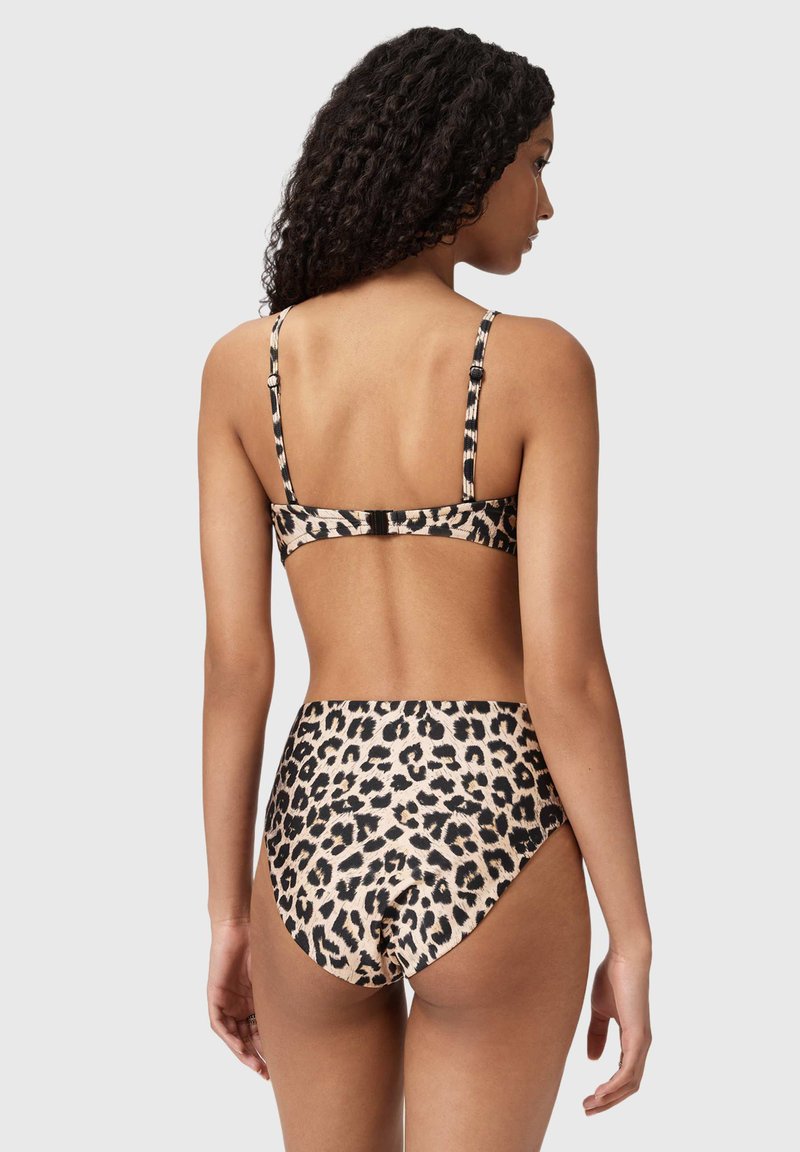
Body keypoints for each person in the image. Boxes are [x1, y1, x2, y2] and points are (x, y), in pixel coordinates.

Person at [198, 24, 652, 1151]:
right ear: (461, 160)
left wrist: (226, 912)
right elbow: (566, 677)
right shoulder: (538, 364)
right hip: (493, 812)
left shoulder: (245, 368)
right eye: (535, 163)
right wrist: (632, 930)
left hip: (318, 820)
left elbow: (237, 669)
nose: (545, 203)